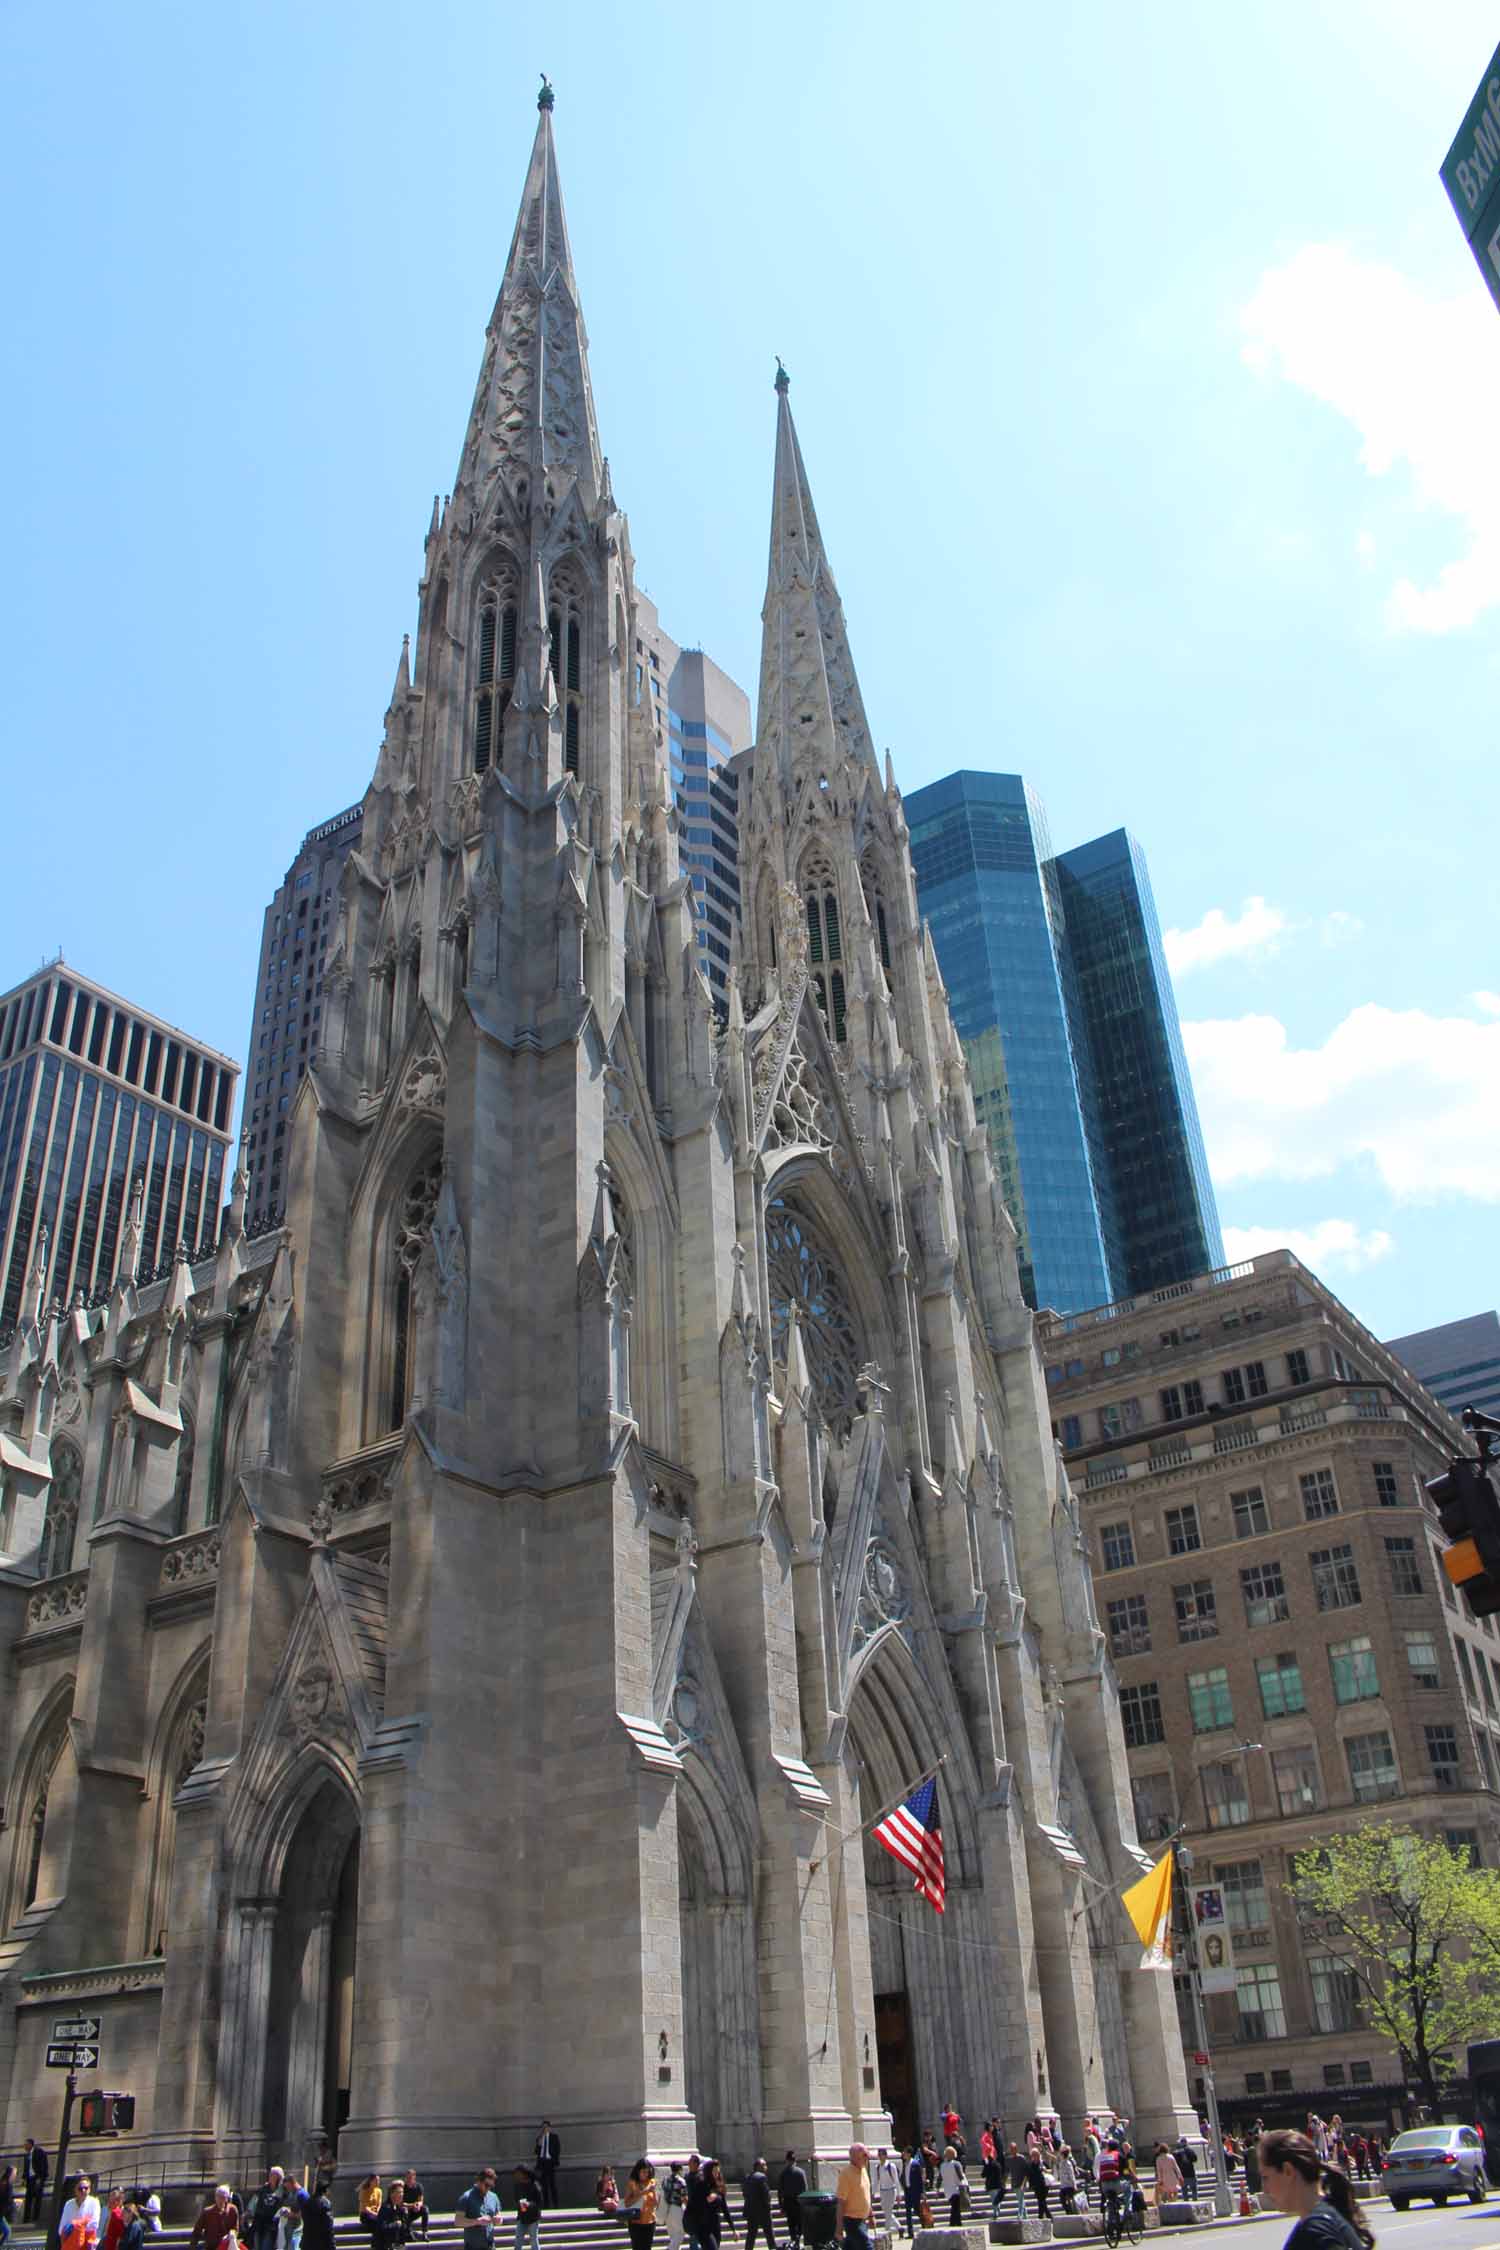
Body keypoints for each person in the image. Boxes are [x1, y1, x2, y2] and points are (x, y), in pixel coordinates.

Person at [1258, 2131, 1373, 2250]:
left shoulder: (1315, 2231)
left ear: (1288, 2171)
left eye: (1266, 2177)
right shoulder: (1323, 2219)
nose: (1265, 2189)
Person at [834, 2147, 872, 2250]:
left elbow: (866, 2194)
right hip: (852, 2221)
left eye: (867, 2155)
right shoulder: (846, 2174)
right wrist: (839, 2228)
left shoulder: (864, 2170)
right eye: (864, 2155)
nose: (867, 2158)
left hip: (862, 2220)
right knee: (867, 2247)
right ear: (854, 2157)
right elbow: (841, 2202)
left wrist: (871, 2215)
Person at [456, 2169, 501, 2250]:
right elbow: (458, 2221)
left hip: (490, 2245)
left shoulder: (494, 2197)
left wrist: (498, 2220)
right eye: (487, 2185)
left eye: (491, 2186)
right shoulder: (466, 2197)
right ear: (479, 2181)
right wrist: (477, 2221)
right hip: (472, 2246)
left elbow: (499, 2218)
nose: (488, 2188)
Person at [61, 2175, 103, 2250]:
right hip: (70, 2244)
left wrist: (75, 2225)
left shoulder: (94, 2202)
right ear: (75, 2190)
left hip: (87, 2244)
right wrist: (83, 2222)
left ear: (89, 2190)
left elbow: (94, 2225)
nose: (83, 2190)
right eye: (80, 2188)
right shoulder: (69, 2204)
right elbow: (62, 2228)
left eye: (86, 2188)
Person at [249, 2170, 288, 2250]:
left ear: (279, 2177)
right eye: (271, 2175)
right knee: (256, 2247)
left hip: (271, 2225)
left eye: (274, 2175)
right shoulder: (263, 2189)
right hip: (259, 2223)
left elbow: (283, 2205)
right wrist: (248, 2212)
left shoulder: (282, 2191)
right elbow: (253, 2202)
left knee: (266, 2246)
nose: (271, 2177)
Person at [742, 2162, 773, 2250]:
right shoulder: (762, 2177)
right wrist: (768, 2206)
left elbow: (744, 2193)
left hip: (751, 2211)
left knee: (751, 2235)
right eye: (764, 2165)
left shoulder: (747, 2177)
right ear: (759, 2167)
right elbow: (766, 2194)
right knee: (769, 2235)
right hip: (763, 2211)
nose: (766, 2167)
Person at [777, 2156, 806, 2249]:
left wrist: (781, 2206)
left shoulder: (783, 2173)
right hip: (798, 2202)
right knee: (799, 2223)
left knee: (791, 2223)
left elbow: (780, 2191)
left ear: (787, 2161)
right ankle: (797, 2238)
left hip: (788, 2202)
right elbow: (805, 2188)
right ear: (795, 2161)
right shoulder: (801, 2172)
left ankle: (794, 2239)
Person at [513, 2167, 544, 2250]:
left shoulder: (535, 2185)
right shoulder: (518, 2185)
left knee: (533, 2239)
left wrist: (529, 2204)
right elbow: (516, 2198)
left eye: (519, 2173)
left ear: (524, 2174)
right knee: (518, 2239)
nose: (517, 2176)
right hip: (522, 2217)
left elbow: (539, 2202)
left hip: (533, 2217)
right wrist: (519, 2203)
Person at [873, 2151, 901, 2240]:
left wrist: (899, 2194)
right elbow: (876, 2181)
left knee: (888, 2212)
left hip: (891, 2190)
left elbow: (896, 2180)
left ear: (886, 2156)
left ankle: (887, 2232)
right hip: (883, 2191)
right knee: (886, 2211)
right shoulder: (877, 2167)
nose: (880, 2157)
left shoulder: (891, 2166)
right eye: (879, 2155)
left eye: (882, 2155)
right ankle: (900, 2228)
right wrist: (873, 2193)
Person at [25, 2144, 51, 2230]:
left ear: (30, 2144)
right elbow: (27, 2167)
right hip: (30, 2179)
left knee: (37, 2199)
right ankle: (27, 2218)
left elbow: (43, 2166)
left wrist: (40, 2178)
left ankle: (35, 2218)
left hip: (37, 2179)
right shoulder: (27, 2154)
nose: (24, 2146)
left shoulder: (39, 2152)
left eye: (26, 2144)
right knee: (28, 2198)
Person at [536, 2126, 561, 2210]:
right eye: (543, 2128)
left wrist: (554, 2160)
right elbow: (536, 2151)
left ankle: (556, 2203)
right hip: (543, 2163)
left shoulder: (554, 2137)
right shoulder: (540, 2138)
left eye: (546, 2127)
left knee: (552, 2184)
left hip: (550, 2163)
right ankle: (546, 2204)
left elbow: (557, 2149)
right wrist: (539, 2143)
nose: (545, 2129)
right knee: (544, 2185)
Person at [662, 2166, 687, 2250]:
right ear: (679, 2170)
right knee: (680, 2232)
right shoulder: (681, 2181)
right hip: (677, 2207)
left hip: (666, 2208)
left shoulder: (665, 2180)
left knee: (672, 2235)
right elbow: (684, 2197)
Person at [938, 2148, 964, 2227]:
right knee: (955, 2207)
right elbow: (961, 2177)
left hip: (947, 2190)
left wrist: (937, 2188)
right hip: (956, 2189)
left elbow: (939, 2178)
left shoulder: (942, 2165)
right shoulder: (956, 2164)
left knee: (955, 2206)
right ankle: (953, 2223)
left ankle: (957, 2222)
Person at [903, 2148, 926, 2237]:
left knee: (917, 2210)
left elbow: (920, 2179)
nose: (903, 2154)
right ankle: (910, 2232)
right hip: (908, 2190)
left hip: (915, 2191)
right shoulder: (905, 2164)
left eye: (904, 2153)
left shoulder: (915, 2164)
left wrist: (922, 2192)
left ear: (909, 2154)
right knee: (908, 2212)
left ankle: (924, 2224)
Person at [402, 2176, 429, 2243]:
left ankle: (424, 2233)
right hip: (406, 2211)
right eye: (407, 2178)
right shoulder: (402, 2187)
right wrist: (412, 2205)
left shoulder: (418, 2186)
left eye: (410, 2178)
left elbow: (420, 2200)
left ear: (414, 2179)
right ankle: (410, 2234)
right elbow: (401, 2203)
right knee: (404, 2211)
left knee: (425, 2209)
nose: (408, 2180)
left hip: (415, 2209)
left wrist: (418, 2206)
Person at [1057, 2150, 1079, 2216]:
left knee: (1069, 2199)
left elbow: (1071, 2174)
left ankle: (1071, 2212)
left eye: (1061, 2155)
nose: (1060, 2156)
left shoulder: (1068, 2163)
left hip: (1069, 2185)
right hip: (1063, 2185)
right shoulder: (1061, 2163)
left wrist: (1074, 2185)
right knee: (1062, 2199)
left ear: (1063, 2155)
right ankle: (1068, 2211)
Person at [0, 2164, 15, 2250]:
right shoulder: (7, 2185)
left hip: (2, 2212)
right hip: (1, 2213)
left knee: (6, 2230)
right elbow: (7, 2199)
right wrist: (14, 2204)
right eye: (14, 2174)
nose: (15, 2176)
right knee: (7, 2231)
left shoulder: (3, 2182)